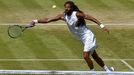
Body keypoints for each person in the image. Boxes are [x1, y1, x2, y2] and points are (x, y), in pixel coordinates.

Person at [28, 1, 114, 71]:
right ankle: (108, 70)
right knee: (94, 55)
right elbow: (48, 20)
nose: (67, 8)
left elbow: (91, 18)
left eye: (68, 7)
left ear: (72, 8)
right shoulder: (63, 16)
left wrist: (102, 26)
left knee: (85, 56)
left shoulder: (77, 14)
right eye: (65, 7)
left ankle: (92, 72)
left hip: (88, 36)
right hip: (82, 38)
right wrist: (35, 21)